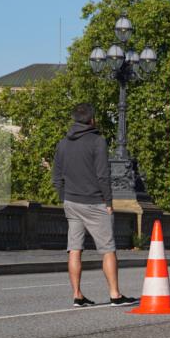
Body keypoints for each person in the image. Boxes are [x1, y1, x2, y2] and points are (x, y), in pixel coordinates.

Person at [52, 103, 136, 307]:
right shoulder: (98, 141)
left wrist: (65, 196)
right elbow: (102, 175)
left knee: (74, 249)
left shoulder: (63, 143)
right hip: (95, 202)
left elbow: (57, 176)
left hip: (71, 202)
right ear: (92, 120)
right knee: (108, 249)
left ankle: (77, 295)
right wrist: (108, 201)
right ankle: (115, 294)